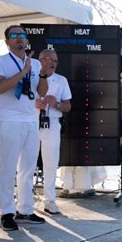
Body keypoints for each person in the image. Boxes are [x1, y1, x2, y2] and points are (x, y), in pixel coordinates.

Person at [0, 25, 53, 231]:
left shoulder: (35, 63)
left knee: (28, 167)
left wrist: (42, 75)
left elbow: (41, 92)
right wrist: (23, 72)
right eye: (14, 36)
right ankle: (6, 212)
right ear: (7, 41)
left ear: (26, 41)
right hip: (8, 119)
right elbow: (0, 87)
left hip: (30, 120)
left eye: (22, 35)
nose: (19, 39)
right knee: (8, 167)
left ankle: (25, 209)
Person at [35, 49, 71, 214]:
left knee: (51, 163)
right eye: (48, 59)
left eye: (55, 61)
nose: (52, 63)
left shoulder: (61, 80)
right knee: (26, 162)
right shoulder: (31, 76)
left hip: (52, 124)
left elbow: (68, 106)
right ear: (40, 60)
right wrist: (35, 104)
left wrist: (56, 104)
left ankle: (49, 200)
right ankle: (24, 201)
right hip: (31, 123)